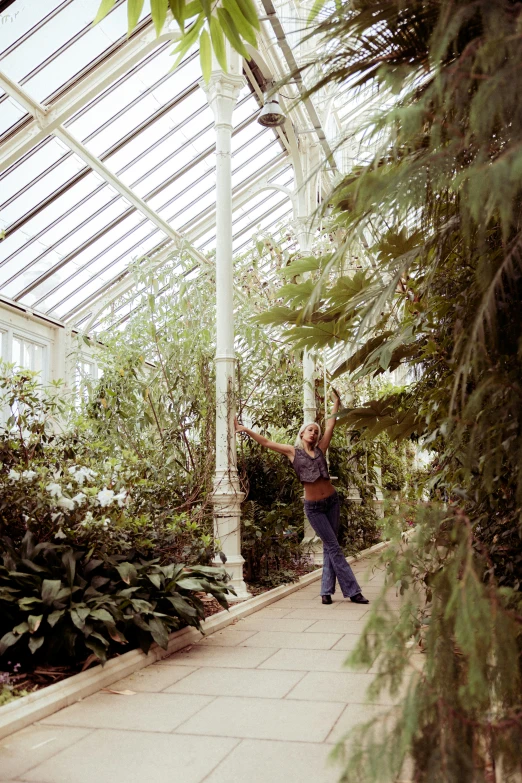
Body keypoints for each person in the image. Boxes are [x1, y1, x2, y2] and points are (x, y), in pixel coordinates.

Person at [234, 390, 369, 605]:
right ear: (302, 434)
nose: (314, 434)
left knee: (330, 546)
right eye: (310, 430)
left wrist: (336, 404)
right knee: (334, 546)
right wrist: (244, 429)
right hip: (314, 508)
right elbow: (267, 442)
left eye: (316, 431)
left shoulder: (321, 449)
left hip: (332, 502)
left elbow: (331, 425)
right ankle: (353, 591)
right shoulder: (292, 452)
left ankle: (326, 591)